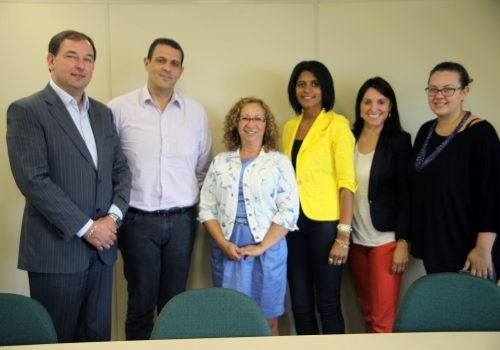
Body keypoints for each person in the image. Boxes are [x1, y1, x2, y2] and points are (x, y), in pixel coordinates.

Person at [6, 30, 131, 343]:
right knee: (56, 340)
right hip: (56, 253)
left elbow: (121, 170)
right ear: (51, 61)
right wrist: (88, 227)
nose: (81, 65)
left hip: (103, 251)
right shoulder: (27, 111)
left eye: (88, 59)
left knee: (97, 337)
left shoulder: (103, 113)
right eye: (71, 56)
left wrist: (112, 220)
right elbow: (33, 181)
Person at [108, 38, 212, 340]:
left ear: (181, 70)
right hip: (137, 221)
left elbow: (202, 166)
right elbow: (110, 167)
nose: (167, 68)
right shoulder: (119, 109)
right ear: (147, 63)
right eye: (161, 60)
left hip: (182, 221)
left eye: (174, 63)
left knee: (175, 303)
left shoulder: (196, 113)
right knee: (140, 304)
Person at [198, 97, 299, 336]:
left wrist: (261, 246)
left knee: (268, 322)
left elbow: (289, 211)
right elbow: (206, 208)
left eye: (257, 118)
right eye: (245, 117)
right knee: (230, 321)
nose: (251, 123)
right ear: (236, 123)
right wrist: (222, 244)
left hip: (268, 251)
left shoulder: (279, 163)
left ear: (266, 124)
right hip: (228, 250)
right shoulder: (221, 162)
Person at [282, 61, 356, 334]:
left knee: (328, 303)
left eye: (314, 83)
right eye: (301, 84)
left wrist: (343, 236)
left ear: (325, 88)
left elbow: (347, 183)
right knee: (300, 304)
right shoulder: (289, 127)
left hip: (325, 225)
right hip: (292, 225)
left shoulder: (336, 124)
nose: (307, 89)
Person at [410, 61, 499, 281]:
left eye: (448, 89)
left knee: (470, 313)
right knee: (444, 312)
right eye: (433, 89)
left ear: (464, 92)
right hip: (437, 242)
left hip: (471, 249)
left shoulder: (482, 133)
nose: (439, 95)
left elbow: (493, 195)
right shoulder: (425, 131)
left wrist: (482, 249)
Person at [348, 77, 411, 333]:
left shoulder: (399, 140)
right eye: (367, 101)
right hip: (355, 240)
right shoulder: (347, 137)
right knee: (367, 313)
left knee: (383, 320)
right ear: (359, 106)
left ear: (391, 107)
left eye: (381, 102)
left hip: (386, 240)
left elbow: (409, 194)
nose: (374, 108)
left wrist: (403, 242)